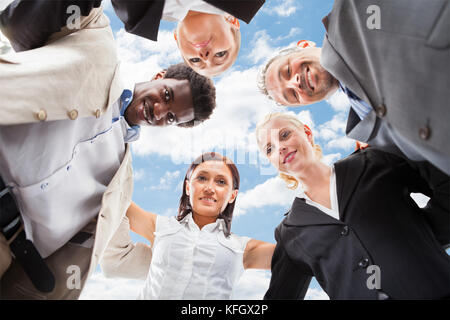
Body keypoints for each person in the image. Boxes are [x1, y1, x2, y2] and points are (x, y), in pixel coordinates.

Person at [0, 7, 216, 299]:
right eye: (167, 95)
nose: (159, 111)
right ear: (159, 75)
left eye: (171, 118)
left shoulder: (121, 185)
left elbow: (120, 260)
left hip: (8, 249)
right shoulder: (96, 51)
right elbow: (26, 22)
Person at [255, 112, 450, 299]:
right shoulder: (289, 233)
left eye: (285, 135)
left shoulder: (375, 160)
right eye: (269, 149)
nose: (280, 147)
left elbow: (444, 183)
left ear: (307, 132)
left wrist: (424, 238)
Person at [257, 0, 450, 176]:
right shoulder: (365, 130)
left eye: (288, 70)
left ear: (305, 44)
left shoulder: (353, 12)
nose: (295, 83)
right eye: (292, 95)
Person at [100, 152, 275, 299]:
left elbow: (296, 253)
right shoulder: (161, 227)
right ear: (188, 187)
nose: (209, 188)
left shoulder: (242, 248)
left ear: (232, 196)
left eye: (221, 182)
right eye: (202, 178)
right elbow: (115, 199)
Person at [0, 0, 265, 77]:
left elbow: (21, 28)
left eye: (195, 60)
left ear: (177, 39)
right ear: (233, 22)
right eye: (221, 54)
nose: (206, 58)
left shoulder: (136, 13)